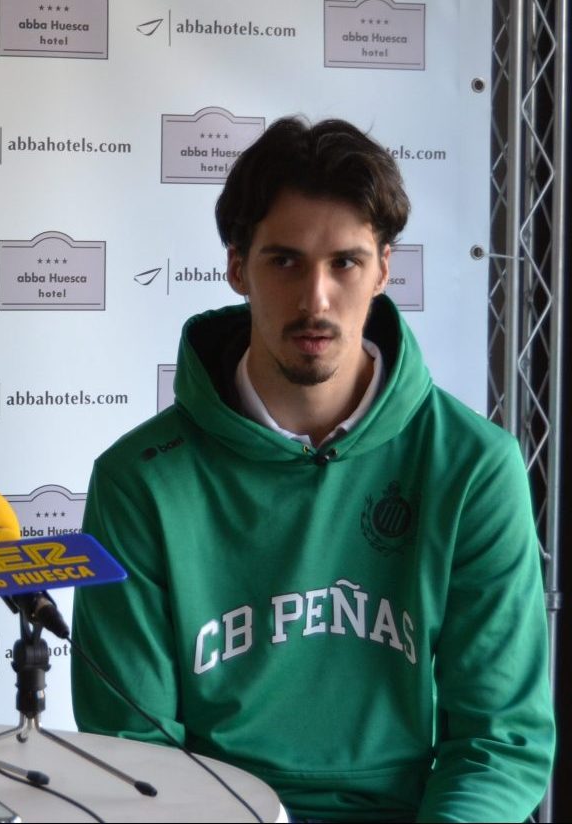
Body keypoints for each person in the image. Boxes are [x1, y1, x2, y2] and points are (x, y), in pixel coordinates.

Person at [71, 117, 554, 821]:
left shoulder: (474, 467)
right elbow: (134, 750)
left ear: (385, 269)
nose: (316, 299)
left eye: (346, 263)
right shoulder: (139, 481)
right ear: (238, 267)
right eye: (286, 261)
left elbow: (499, 742)